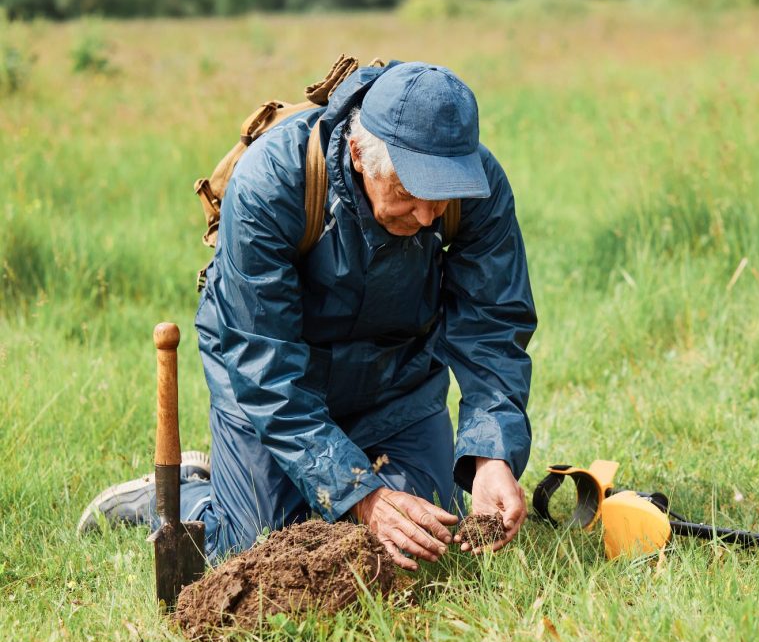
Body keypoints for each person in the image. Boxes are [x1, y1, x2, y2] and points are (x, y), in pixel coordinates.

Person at [78, 61, 537, 571]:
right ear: (361, 154)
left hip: (395, 376)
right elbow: (264, 365)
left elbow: (492, 325)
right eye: (408, 193)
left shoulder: (476, 184)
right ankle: (181, 495)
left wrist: (490, 455)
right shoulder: (271, 182)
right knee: (260, 550)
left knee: (427, 535)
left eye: (441, 196)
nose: (429, 216)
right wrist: (361, 496)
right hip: (268, 370)